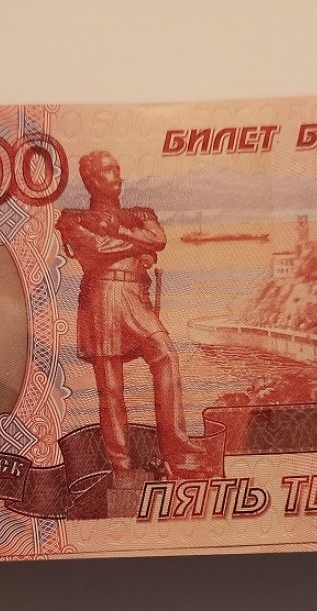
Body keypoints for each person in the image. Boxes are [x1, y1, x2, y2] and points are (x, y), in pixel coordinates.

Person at [56, 151, 202, 481]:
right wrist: (139, 246)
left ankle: (176, 446)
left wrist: (119, 232)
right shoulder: (74, 219)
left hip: (136, 296)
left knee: (166, 354)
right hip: (103, 297)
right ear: (91, 180)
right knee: (110, 388)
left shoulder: (139, 213)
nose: (117, 176)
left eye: (118, 169)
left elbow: (158, 239)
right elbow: (97, 250)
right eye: (109, 170)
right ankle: (121, 466)